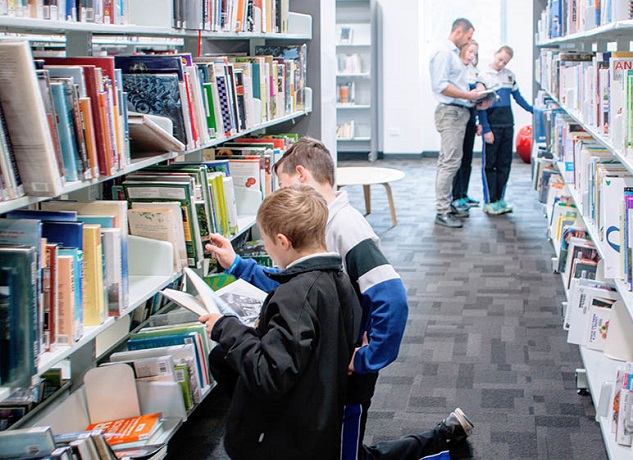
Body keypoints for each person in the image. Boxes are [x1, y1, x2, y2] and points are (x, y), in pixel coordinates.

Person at [205, 138, 410, 460]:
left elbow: (392, 297)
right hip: (327, 360)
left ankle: (436, 442)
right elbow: (293, 281)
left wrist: (368, 357)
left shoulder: (346, 226)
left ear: (301, 175)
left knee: (348, 451)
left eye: (283, 184)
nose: (281, 192)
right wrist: (238, 265)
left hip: (347, 367)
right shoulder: (319, 226)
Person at [198, 185, 361, 459]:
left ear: (283, 241)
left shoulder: (295, 296)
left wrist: (227, 328)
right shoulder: (338, 279)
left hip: (284, 438)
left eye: (266, 241)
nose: (266, 248)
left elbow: (270, 374)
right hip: (318, 421)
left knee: (222, 357)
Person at [429, 17, 488, 228]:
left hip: (459, 112)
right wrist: (467, 95)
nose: (469, 41)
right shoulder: (444, 53)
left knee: (452, 160)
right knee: (449, 162)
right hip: (451, 112)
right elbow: (440, 85)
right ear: (459, 32)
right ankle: (442, 211)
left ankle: (449, 205)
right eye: (469, 37)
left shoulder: (454, 55)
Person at [477, 45, 534, 215]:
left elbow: (518, 98)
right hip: (492, 127)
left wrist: (533, 110)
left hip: (507, 125)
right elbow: (481, 107)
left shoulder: (510, 76)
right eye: (500, 59)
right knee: (490, 164)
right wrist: (486, 129)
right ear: (495, 54)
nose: (501, 63)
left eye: (505, 61)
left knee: (504, 164)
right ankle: (489, 201)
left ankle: (499, 199)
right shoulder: (483, 76)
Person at [451, 39, 483, 213]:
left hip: (471, 114)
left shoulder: (474, 70)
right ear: (462, 49)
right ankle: (455, 196)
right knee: (457, 157)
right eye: (470, 51)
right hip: (458, 113)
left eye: (475, 53)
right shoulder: (456, 68)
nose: (472, 56)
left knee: (467, 158)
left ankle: (463, 194)